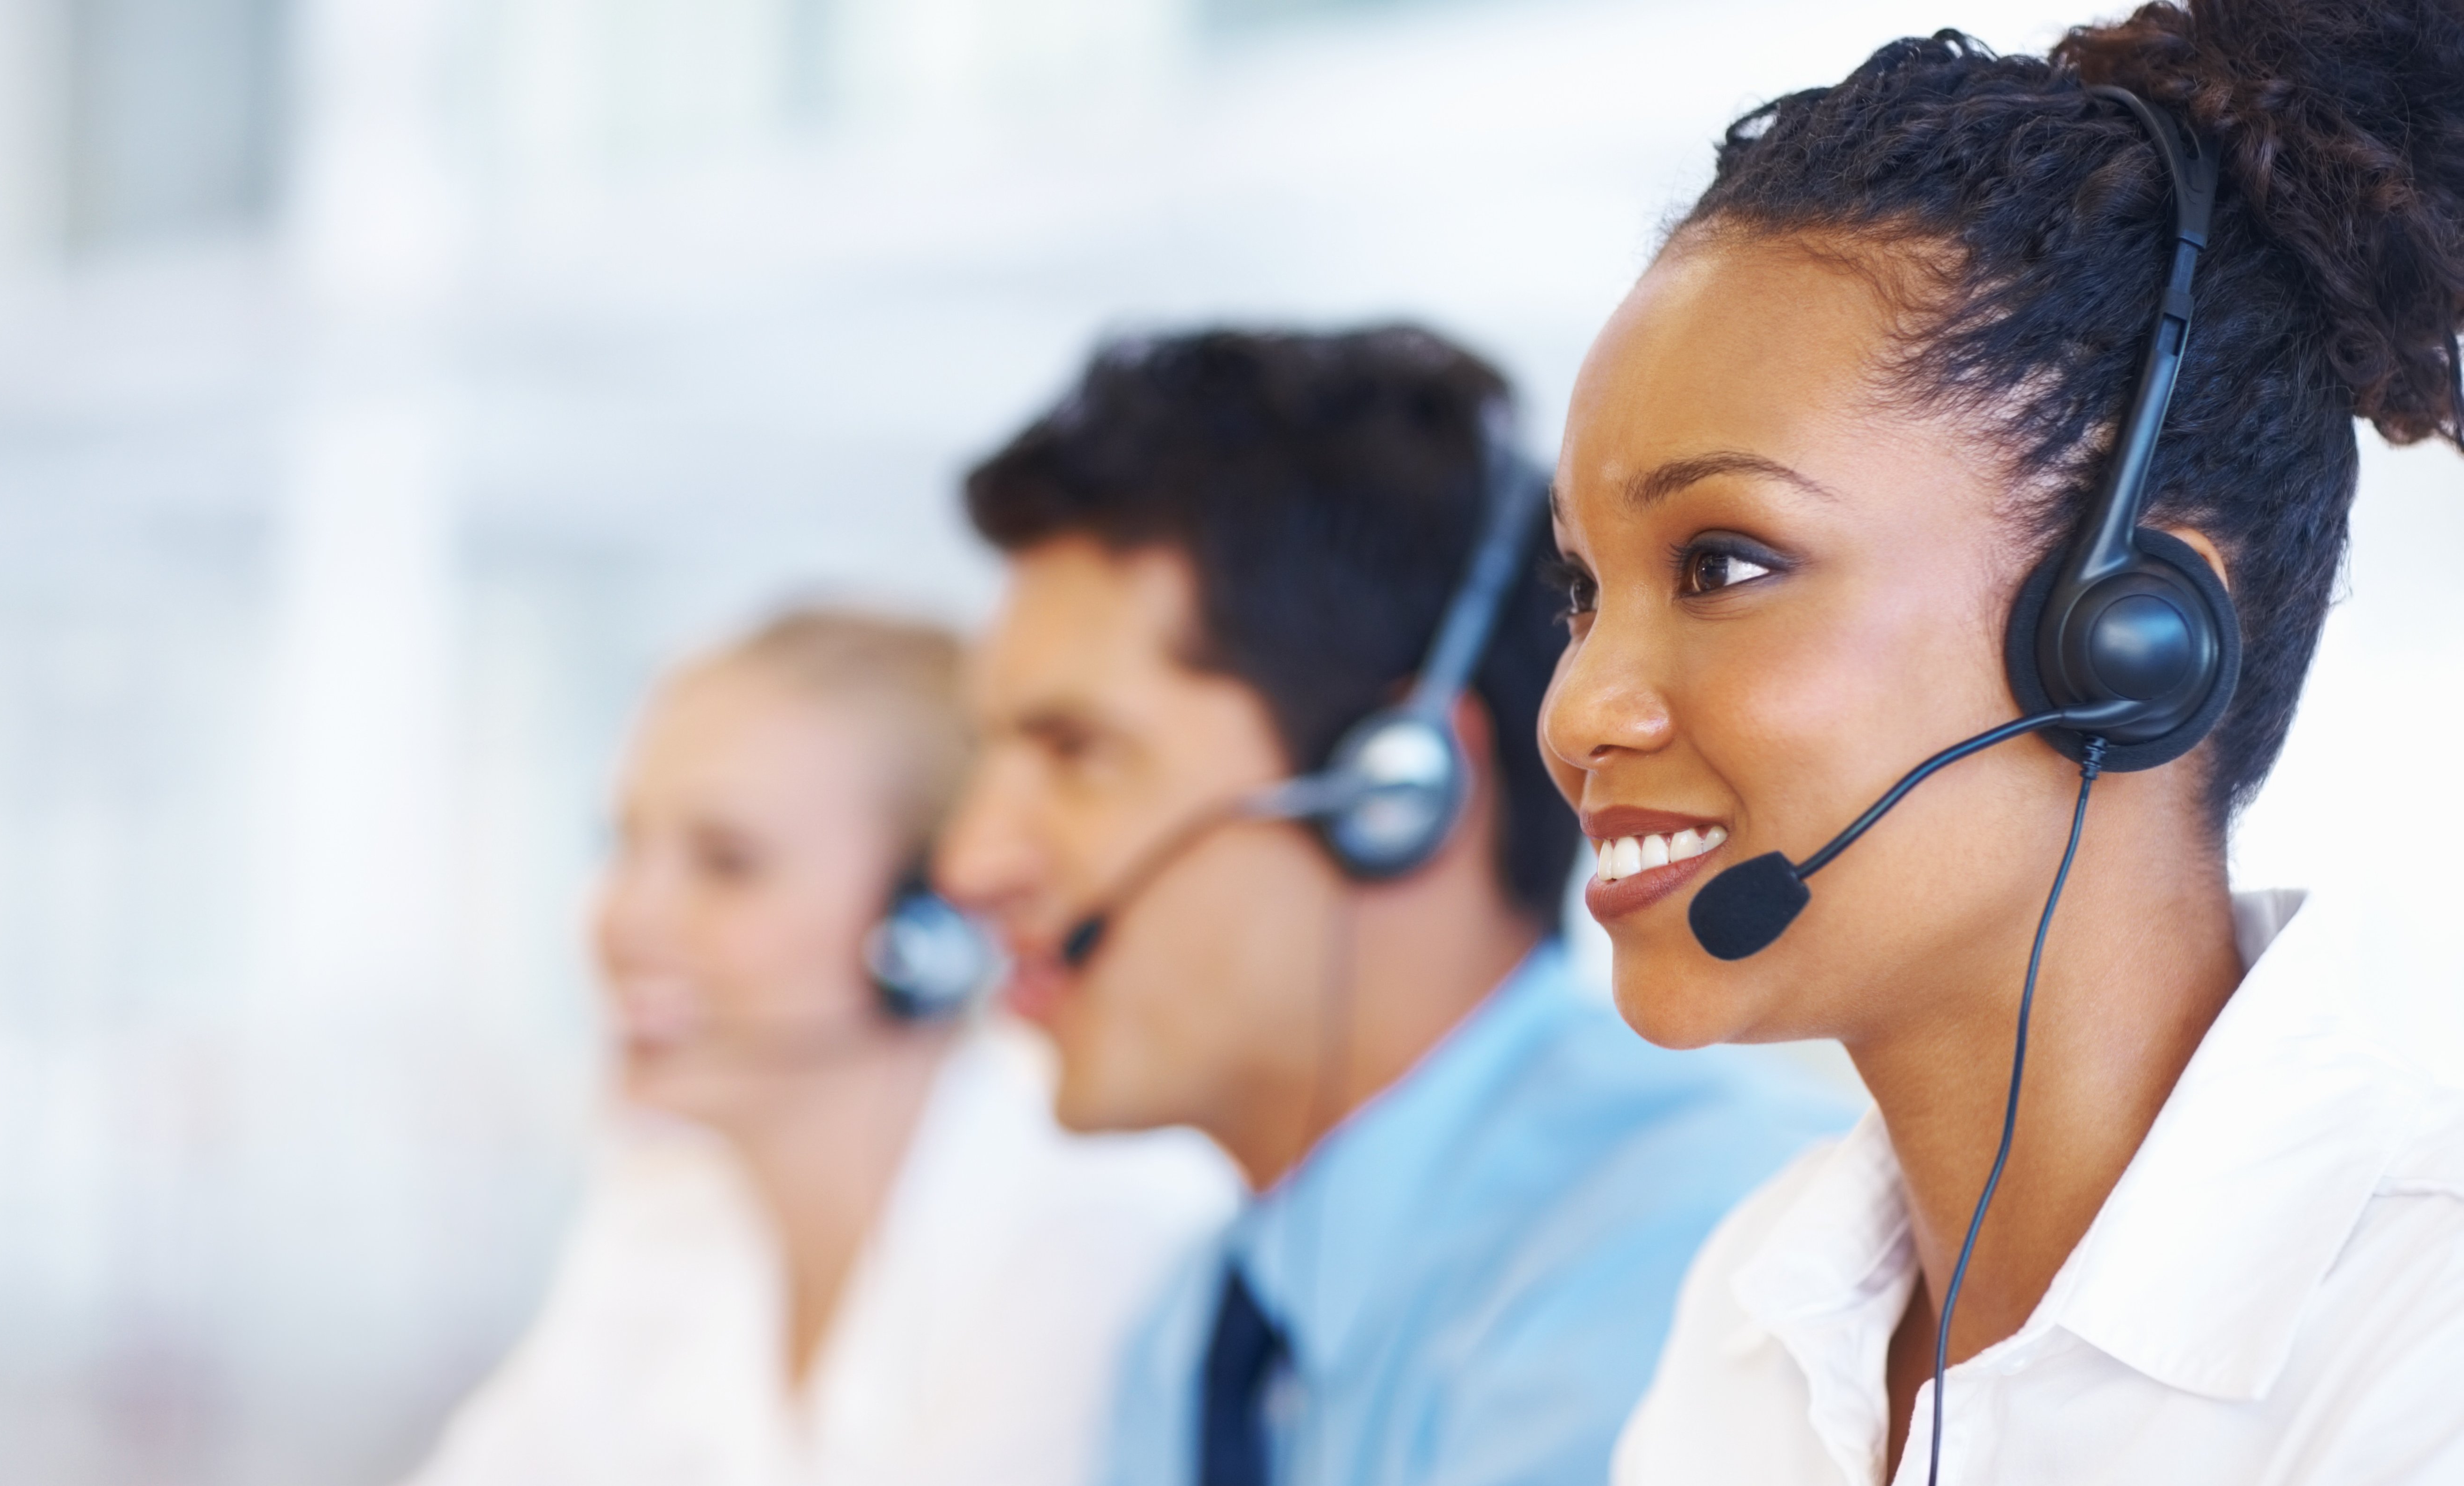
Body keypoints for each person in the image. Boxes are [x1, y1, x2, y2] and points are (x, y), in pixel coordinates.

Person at [1534, 2, 2464, 1482]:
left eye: (1721, 564)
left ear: (2130, 636)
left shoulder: (2424, 1347)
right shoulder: (1756, 1314)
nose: (1579, 712)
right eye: (1584, 593)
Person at [935, 326, 1850, 1486]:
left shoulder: (1703, 1265)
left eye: (1075, 751)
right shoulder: (1188, 1339)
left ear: (1397, 786)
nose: (970, 862)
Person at [404, 609, 1237, 1486]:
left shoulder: (1086, 1231)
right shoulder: (669, 1207)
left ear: (929, 926)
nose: (623, 919)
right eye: (623, 846)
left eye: (728, 863)